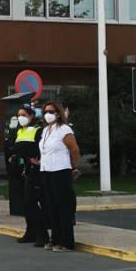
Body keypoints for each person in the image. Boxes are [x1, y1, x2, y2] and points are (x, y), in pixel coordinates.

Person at [38, 101, 81, 252]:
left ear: (58, 113)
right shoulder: (45, 130)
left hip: (61, 171)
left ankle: (66, 241)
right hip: (47, 171)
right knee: (51, 207)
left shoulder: (64, 129)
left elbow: (74, 149)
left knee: (63, 207)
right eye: (45, 111)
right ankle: (55, 238)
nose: (47, 114)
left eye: (51, 111)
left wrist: (73, 166)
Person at [13, 105, 46, 246]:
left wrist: (38, 160)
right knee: (26, 204)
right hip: (23, 171)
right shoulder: (20, 131)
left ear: (31, 116)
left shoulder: (38, 130)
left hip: (35, 172)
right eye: (19, 115)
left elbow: (42, 148)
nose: (21, 117)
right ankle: (30, 232)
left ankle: (42, 235)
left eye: (24, 115)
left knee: (33, 204)